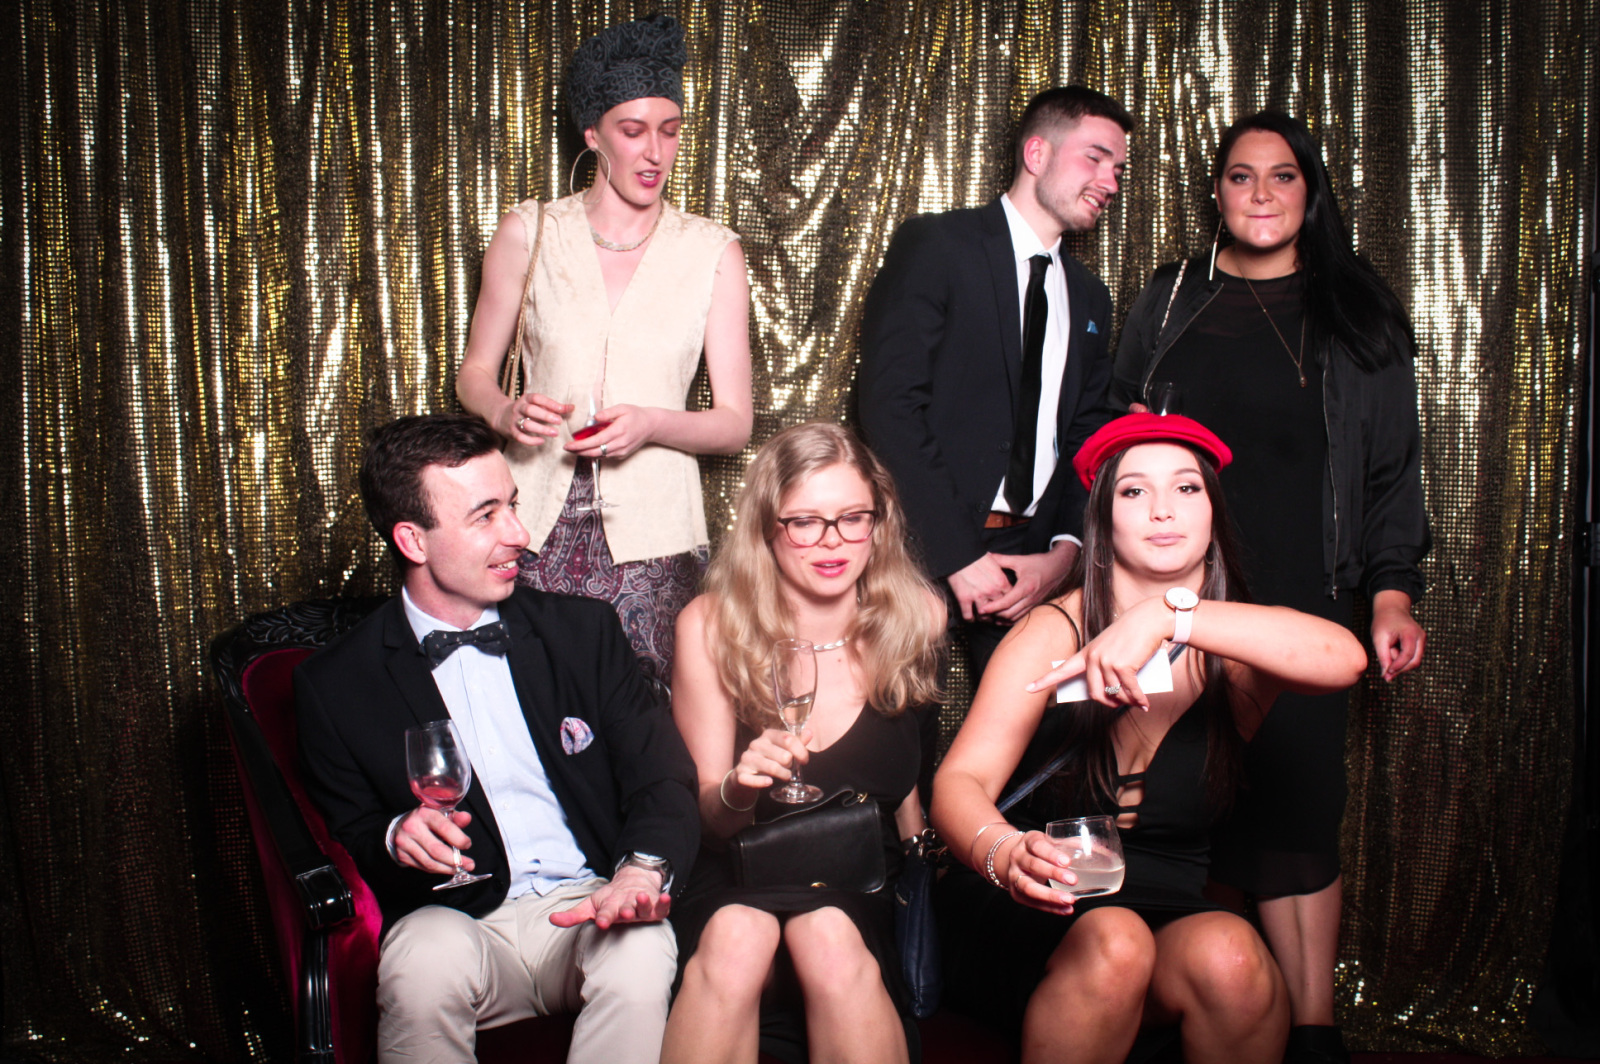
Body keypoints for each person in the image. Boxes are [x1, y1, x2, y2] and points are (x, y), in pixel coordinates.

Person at [1109, 112, 1430, 1062]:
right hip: (1169, 588)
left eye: (1282, 176)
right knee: (1193, 795)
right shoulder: (1171, 298)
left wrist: (1392, 592)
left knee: (1295, 807)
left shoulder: (1356, 312)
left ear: (1309, 192)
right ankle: (1212, 1012)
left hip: (1301, 598)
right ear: (1217, 192)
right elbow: (1115, 431)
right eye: (1241, 175)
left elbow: (1393, 470)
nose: (1261, 193)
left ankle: (1314, 1029)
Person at [930, 413, 1368, 1064]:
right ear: (1103, 519)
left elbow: (1346, 659)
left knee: (1236, 959)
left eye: (1187, 488)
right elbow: (959, 783)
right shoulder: (1052, 630)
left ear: (1213, 512)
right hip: (1037, 897)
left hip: (1169, 899)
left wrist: (1168, 617)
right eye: (1134, 491)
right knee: (1116, 942)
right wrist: (1005, 850)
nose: (1163, 509)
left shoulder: (1239, 651)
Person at [295, 413, 701, 1064]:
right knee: (421, 959)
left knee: (640, 946)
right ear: (413, 540)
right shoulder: (336, 684)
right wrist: (396, 836)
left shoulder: (584, 632)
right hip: (458, 924)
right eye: (486, 516)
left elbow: (663, 777)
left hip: (584, 904)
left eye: (512, 505)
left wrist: (638, 872)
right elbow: (351, 833)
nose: (520, 534)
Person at [457, 13, 752, 687]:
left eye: (670, 131)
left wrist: (651, 423)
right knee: (533, 706)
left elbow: (734, 423)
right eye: (633, 130)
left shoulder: (713, 252)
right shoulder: (530, 231)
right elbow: (474, 372)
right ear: (593, 134)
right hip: (530, 525)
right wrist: (502, 412)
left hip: (656, 539)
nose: (655, 153)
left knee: (650, 720)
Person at [660, 423, 946, 1064]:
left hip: (859, 883)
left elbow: (909, 783)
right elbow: (710, 819)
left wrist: (923, 875)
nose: (833, 541)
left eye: (852, 518)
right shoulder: (710, 626)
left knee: (828, 935)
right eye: (806, 523)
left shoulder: (919, 618)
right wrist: (739, 787)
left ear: (879, 522)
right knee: (737, 935)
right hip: (738, 875)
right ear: (767, 527)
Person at [857, 85, 1133, 680]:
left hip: (1030, 560)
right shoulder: (938, 246)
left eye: (1118, 169)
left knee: (1044, 720)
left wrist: (1062, 553)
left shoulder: (1090, 296)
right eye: (1095, 158)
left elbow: (1087, 437)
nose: (1110, 182)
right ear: (1037, 153)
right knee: (897, 721)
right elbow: (888, 405)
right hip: (921, 548)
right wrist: (956, 554)